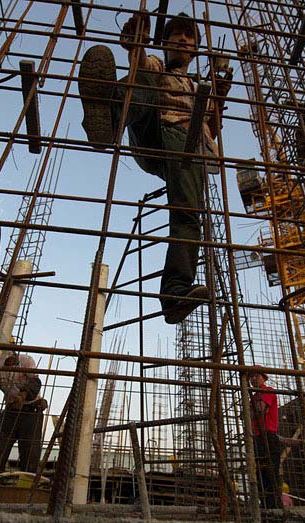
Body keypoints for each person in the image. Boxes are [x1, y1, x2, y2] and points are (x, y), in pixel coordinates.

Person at [77, 11, 232, 324]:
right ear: (167, 44)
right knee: (147, 78)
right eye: (177, 38)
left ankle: (175, 294)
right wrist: (136, 43)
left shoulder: (197, 87)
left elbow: (209, 131)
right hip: (151, 129)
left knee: (189, 214)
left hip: (184, 148)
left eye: (189, 39)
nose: (183, 42)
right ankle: (108, 116)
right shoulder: (158, 67)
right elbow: (141, 64)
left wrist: (219, 95)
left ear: (195, 50)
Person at [0, 353, 47, 474]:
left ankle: (26, 487)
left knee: (30, 455)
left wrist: (22, 396)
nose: (9, 361)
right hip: (10, 412)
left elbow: (35, 383)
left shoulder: (26, 361)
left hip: (31, 412)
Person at [249, 365, 282, 510]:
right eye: (251, 376)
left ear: (264, 378)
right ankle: (266, 511)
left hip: (268, 437)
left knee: (270, 476)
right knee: (260, 476)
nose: (253, 379)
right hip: (257, 438)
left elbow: (259, 410)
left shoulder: (267, 391)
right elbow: (250, 415)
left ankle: (275, 511)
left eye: (257, 376)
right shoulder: (254, 396)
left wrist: (253, 408)